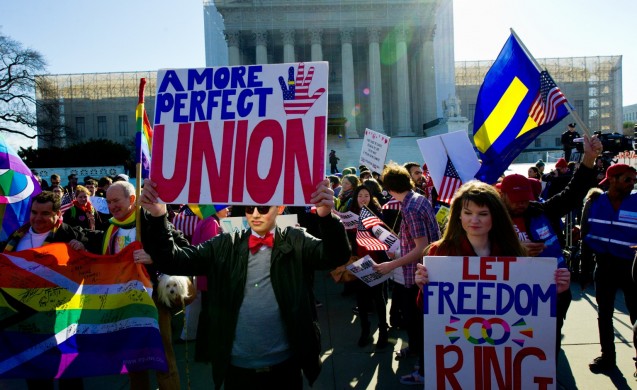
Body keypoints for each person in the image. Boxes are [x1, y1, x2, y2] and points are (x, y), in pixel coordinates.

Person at [137, 178, 351, 389]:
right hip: (237, 369)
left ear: (280, 207)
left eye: (264, 207)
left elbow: (336, 256)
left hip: (286, 366)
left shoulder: (296, 240)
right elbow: (174, 261)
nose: (256, 213)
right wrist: (158, 216)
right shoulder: (224, 244)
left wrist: (326, 217)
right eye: (250, 207)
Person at [499, 134, 602, 357]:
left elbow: (573, 195)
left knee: (549, 341)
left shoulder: (542, 210)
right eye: (516, 199)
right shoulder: (493, 221)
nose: (522, 204)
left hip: (554, 291)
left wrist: (589, 159)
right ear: (502, 196)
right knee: (514, 343)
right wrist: (518, 251)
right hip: (513, 296)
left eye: (525, 198)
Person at [84, 181, 189, 390]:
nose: (112, 205)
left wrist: (153, 258)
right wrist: (79, 241)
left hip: (153, 302)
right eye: (108, 201)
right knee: (133, 361)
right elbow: (97, 244)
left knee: (163, 357)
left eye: (116, 200)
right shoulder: (111, 226)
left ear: (132, 200)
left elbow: (183, 248)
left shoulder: (151, 221)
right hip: (124, 304)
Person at [1, 191, 87, 390]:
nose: (38, 218)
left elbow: (94, 251)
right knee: (37, 375)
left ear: (58, 214)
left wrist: (83, 246)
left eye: (45, 213)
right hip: (27, 320)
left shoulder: (69, 234)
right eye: (34, 212)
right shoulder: (15, 237)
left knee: (69, 374)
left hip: (61, 319)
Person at [371, 162, 440, 386]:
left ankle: (423, 366)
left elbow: (422, 247)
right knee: (411, 318)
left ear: (389, 189)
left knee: (417, 321)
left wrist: (391, 265)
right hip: (418, 270)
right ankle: (416, 350)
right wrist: (398, 248)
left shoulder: (410, 208)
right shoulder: (418, 198)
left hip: (416, 274)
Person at [582, 163, 637, 374]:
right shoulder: (594, 201)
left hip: (632, 268)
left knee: (636, 316)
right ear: (612, 179)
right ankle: (607, 357)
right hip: (603, 265)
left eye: (633, 180)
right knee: (604, 313)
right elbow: (586, 237)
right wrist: (585, 270)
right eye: (627, 179)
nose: (631, 184)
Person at [348, 185, 389, 348]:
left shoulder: (377, 215)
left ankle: (383, 331)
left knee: (379, 298)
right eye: (360, 196)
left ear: (371, 198)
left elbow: (386, 238)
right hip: (358, 262)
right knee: (362, 299)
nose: (363, 198)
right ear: (356, 198)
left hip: (376, 262)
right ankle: (365, 331)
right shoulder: (350, 216)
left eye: (366, 195)